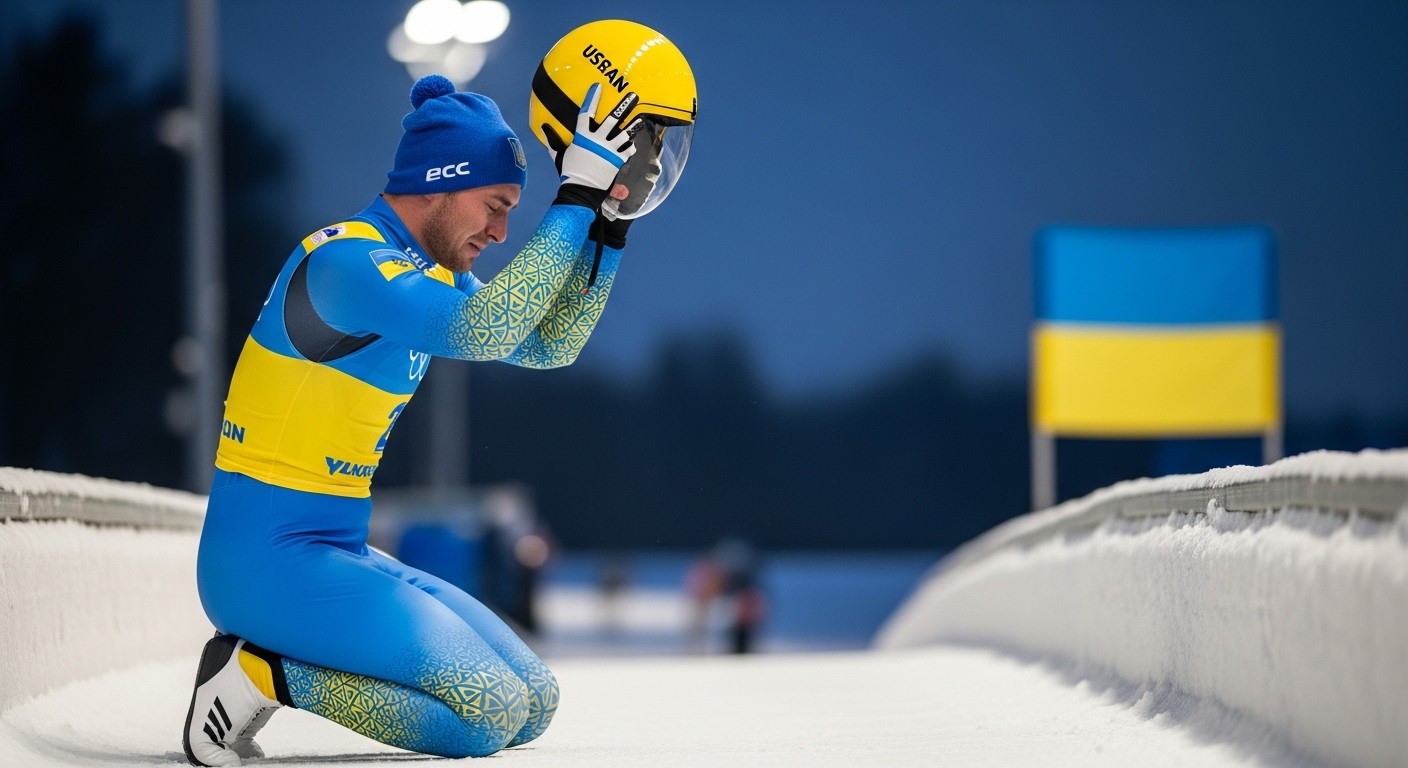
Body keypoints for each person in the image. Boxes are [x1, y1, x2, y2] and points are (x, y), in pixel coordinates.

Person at [180, 27, 694, 761]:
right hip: (264, 564)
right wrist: (573, 196)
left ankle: (265, 671)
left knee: (533, 704)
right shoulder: (347, 263)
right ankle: (258, 677)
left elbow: (549, 345)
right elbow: (490, 329)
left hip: (335, 550)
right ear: (439, 183)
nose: (502, 229)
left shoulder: (433, 277)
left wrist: (606, 230)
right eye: (494, 205)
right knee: (486, 711)